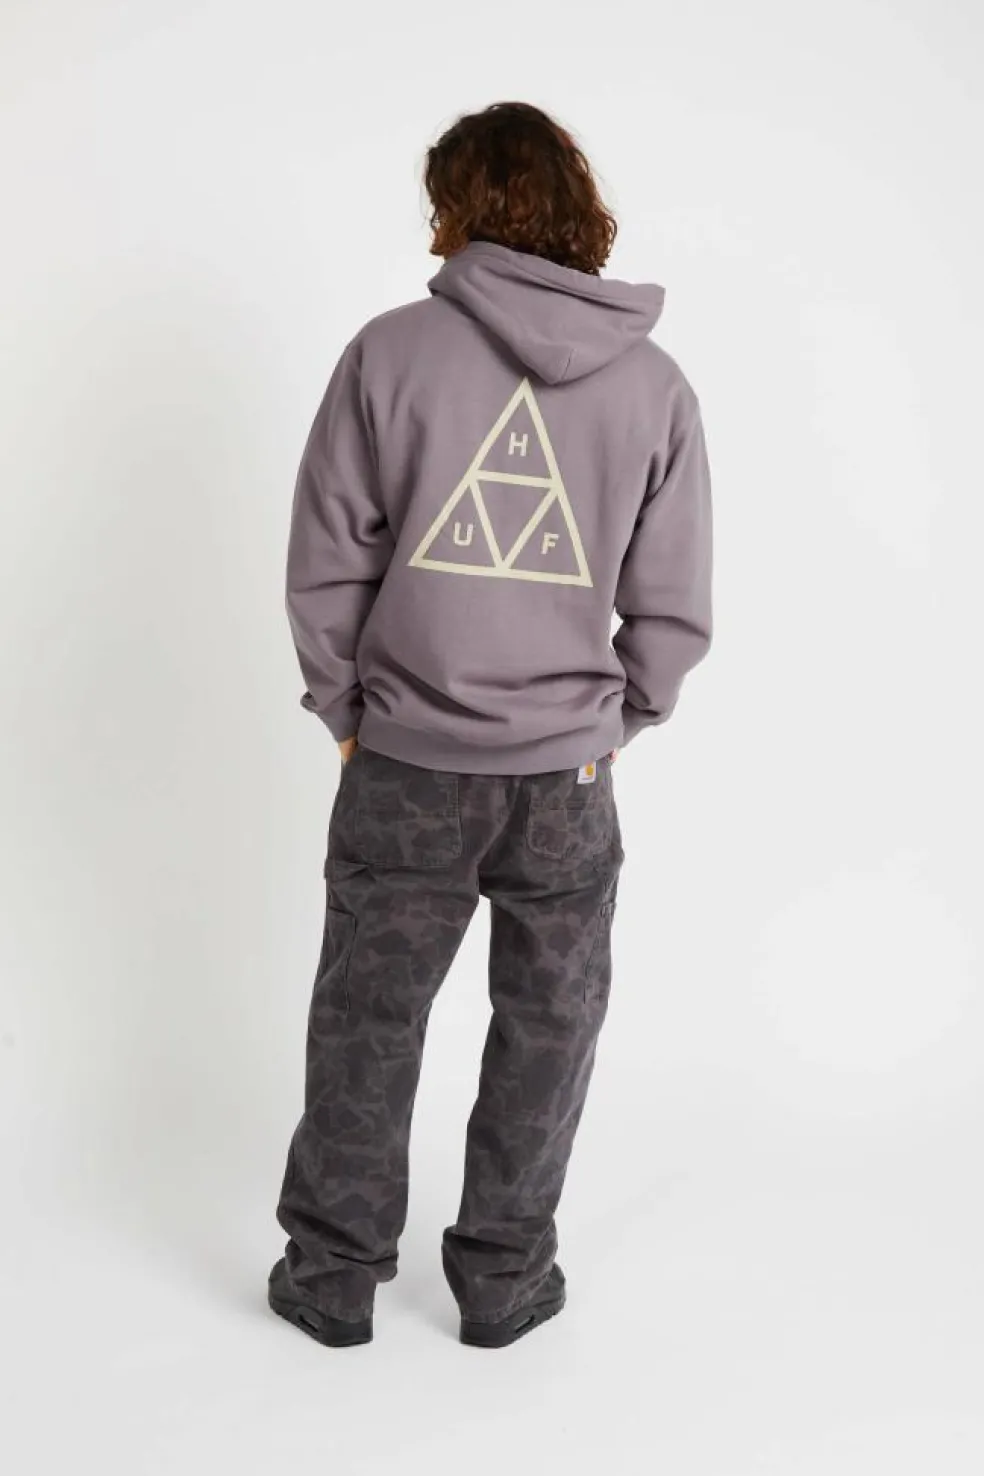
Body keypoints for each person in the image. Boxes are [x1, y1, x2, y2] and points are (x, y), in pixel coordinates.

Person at [268, 101, 713, 1350]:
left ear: (455, 208)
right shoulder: (655, 386)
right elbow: (673, 602)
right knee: (548, 1030)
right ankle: (506, 1284)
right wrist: (612, 720)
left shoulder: (389, 354)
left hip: (405, 764)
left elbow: (325, 564)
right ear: (580, 205)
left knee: (366, 1023)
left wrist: (347, 708)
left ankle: (331, 1281)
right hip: (568, 782)